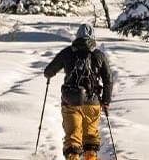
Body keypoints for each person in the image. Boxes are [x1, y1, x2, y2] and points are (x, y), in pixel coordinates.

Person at [44, 23, 113, 160]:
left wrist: (49, 75)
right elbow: (108, 79)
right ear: (92, 37)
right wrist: (105, 101)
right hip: (92, 103)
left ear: (77, 36)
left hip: (70, 102)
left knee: (73, 139)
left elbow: (49, 71)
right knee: (91, 139)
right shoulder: (98, 55)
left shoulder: (67, 52)